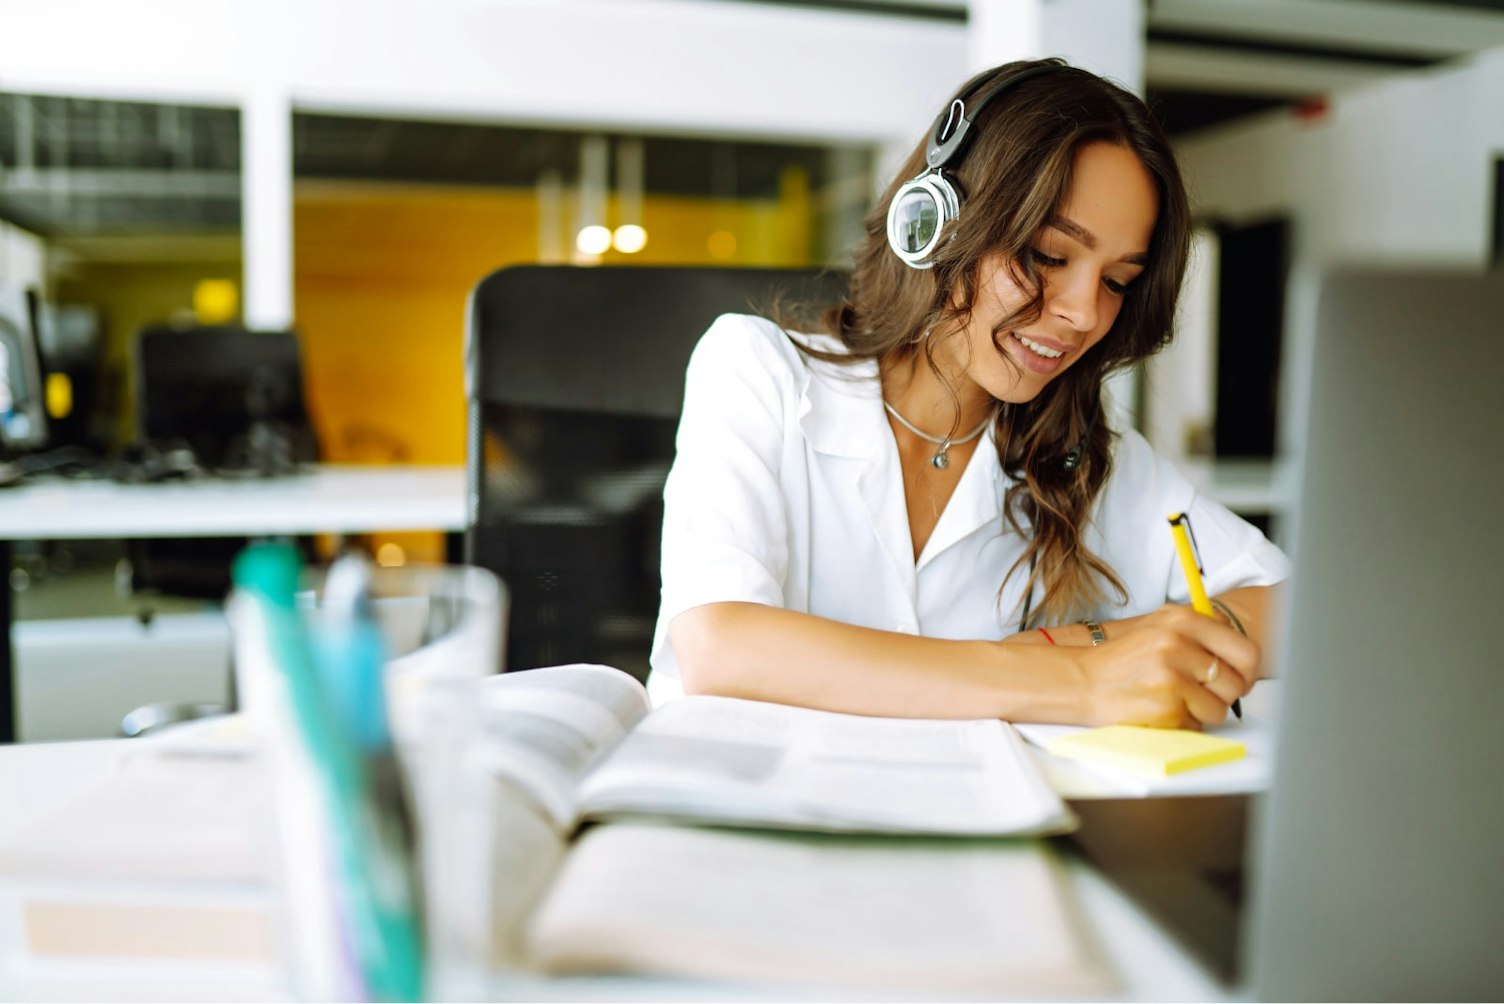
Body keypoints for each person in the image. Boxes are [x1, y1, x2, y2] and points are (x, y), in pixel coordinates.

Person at [647, 58, 1289, 728]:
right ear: (935, 222)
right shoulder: (757, 369)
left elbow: (1295, 603)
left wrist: (1096, 641)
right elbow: (723, 648)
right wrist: (1074, 678)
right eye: (1048, 255)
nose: (1086, 313)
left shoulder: (1083, 453)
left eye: (1118, 280)